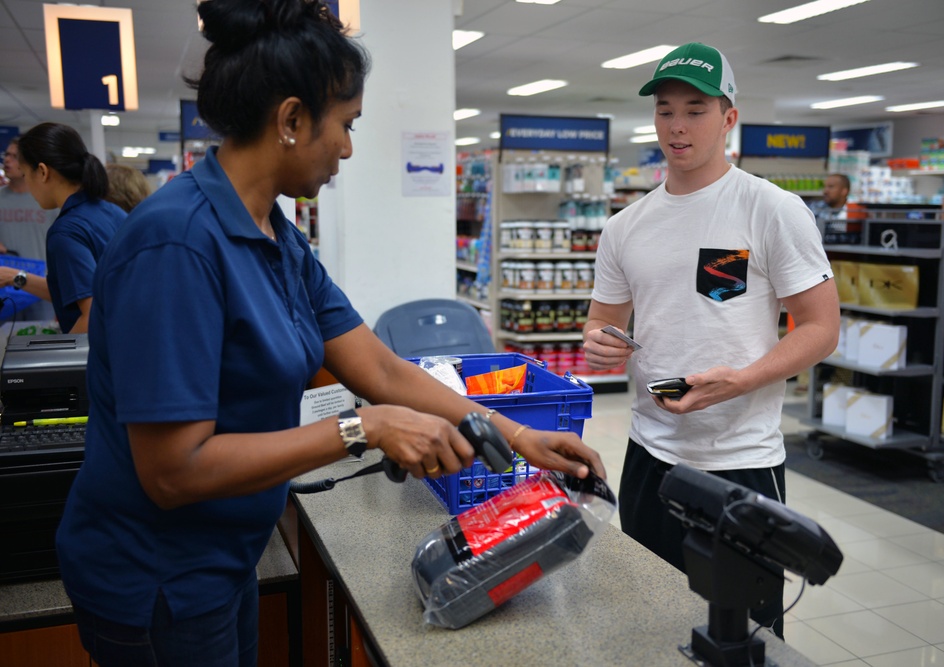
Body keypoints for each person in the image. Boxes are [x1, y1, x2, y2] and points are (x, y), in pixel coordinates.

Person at [55, 2, 605, 666]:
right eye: (345, 125)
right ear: (290, 120)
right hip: (152, 579)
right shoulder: (176, 244)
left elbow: (381, 367)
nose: (347, 147)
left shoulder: (275, 238)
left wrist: (517, 436)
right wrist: (364, 428)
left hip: (222, 557)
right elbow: (173, 469)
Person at [582, 42, 840, 639]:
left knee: (742, 636)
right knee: (648, 623)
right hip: (650, 454)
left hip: (740, 460)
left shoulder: (771, 210)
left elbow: (823, 329)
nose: (677, 125)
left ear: (728, 118)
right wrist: (600, 342)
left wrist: (743, 380)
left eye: (695, 109)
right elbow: (600, 321)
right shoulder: (626, 226)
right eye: (665, 109)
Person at [0, 123, 126, 333]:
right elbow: (74, 291)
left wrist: (56, 355)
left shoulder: (66, 232)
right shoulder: (111, 212)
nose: (28, 187)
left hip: (103, 355)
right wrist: (18, 277)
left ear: (42, 172)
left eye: (26, 176)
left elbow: (92, 314)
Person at [0, 137, 58, 321]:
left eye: (15, 156)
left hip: (40, 286)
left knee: (41, 340)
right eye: (7, 155)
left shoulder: (48, 201)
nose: (7, 160)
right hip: (4, 287)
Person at [810, 173, 851, 242]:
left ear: (844, 191)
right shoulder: (815, 208)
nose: (825, 191)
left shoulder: (855, 211)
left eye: (831, 187)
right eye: (824, 187)